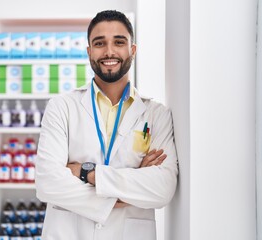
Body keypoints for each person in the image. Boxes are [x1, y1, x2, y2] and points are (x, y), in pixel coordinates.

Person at [35, 10, 178, 240]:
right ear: (89, 51)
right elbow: (47, 183)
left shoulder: (156, 114)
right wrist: (129, 186)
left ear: (132, 50)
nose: (109, 51)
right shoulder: (61, 107)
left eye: (119, 42)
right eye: (99, 43)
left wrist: (86, 173)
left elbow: (162, 188)